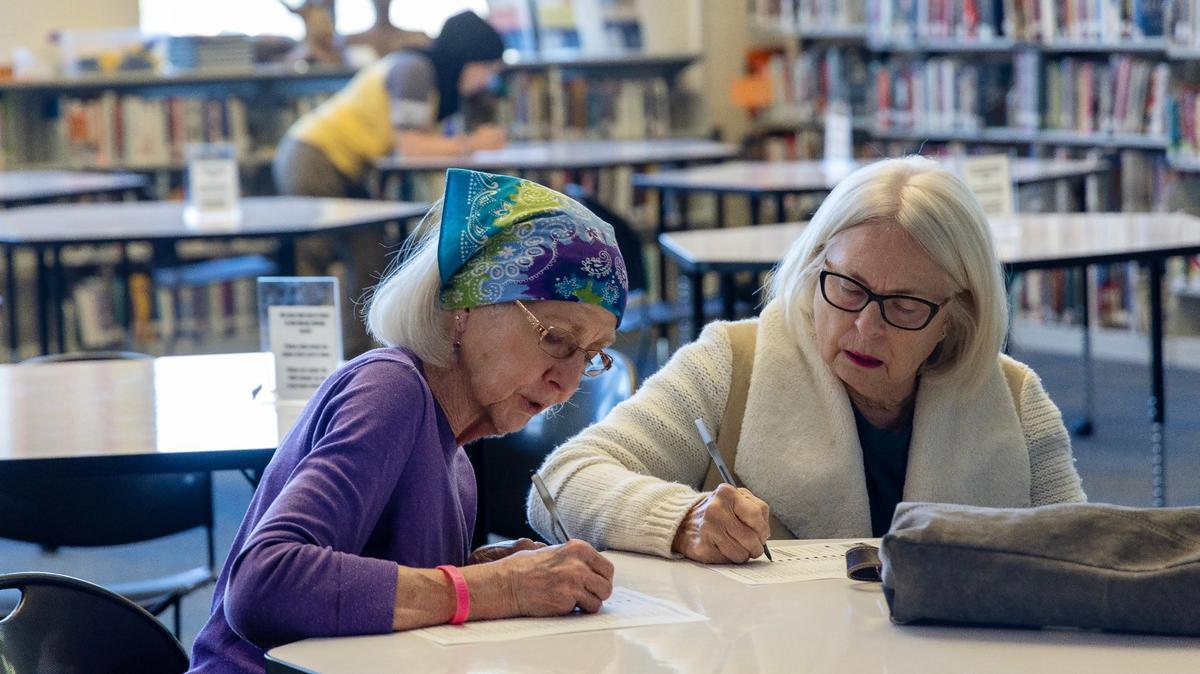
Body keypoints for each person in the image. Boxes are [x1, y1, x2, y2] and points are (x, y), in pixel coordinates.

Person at [527, 155, 1086, 564]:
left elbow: (1083, 556)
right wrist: (680, 519)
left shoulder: (1015, 399)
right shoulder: (731, 361)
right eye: (847, 287)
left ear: (956, 314)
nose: (866, 328)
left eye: (906, 305)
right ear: (814, 266)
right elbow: (559, 486)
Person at [188, 167, 629, 673]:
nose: (568, 382)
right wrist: (495, 587)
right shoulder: (391, 390)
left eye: (591, 355)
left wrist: (477, 571)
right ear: (464, 308)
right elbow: (264, 584)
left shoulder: (456, 458)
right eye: (556, 339)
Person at [273, 9, 508, 356]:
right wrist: (475, 143)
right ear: (467, 60)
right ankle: (349, 356)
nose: (487, 81)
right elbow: (411, 147)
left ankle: (351, 353)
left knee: (364, 252)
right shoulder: (415, 71)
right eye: (487, 69)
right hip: (313, 160)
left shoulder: (422, 71)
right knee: (357, 253)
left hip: (324, 161)